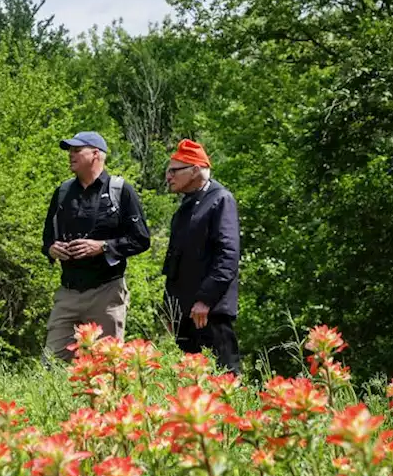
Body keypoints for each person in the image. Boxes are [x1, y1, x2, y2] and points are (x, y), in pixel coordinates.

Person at [41, 131, 151, 362]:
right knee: (51, 363)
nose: (70, 155)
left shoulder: (120, 190)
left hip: (106, 292)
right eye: (69, 150)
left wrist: (103, 247)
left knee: (107, 365)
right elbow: (47, 239)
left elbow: (141, 239)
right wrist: (52, 249)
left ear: (96, 154)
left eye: (76, 150)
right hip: (68, 292)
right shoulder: (62, 193)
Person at [161, 138, 242, 374]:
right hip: (185, 313)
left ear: (195, 170)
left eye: (174, 171)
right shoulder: (187, 205)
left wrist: (205, 300)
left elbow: (228, 255)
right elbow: (175, 260)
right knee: (190, 383)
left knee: (224, 378)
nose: (168, 177)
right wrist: (170, 309)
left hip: (210, 312)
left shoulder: (220, 199)